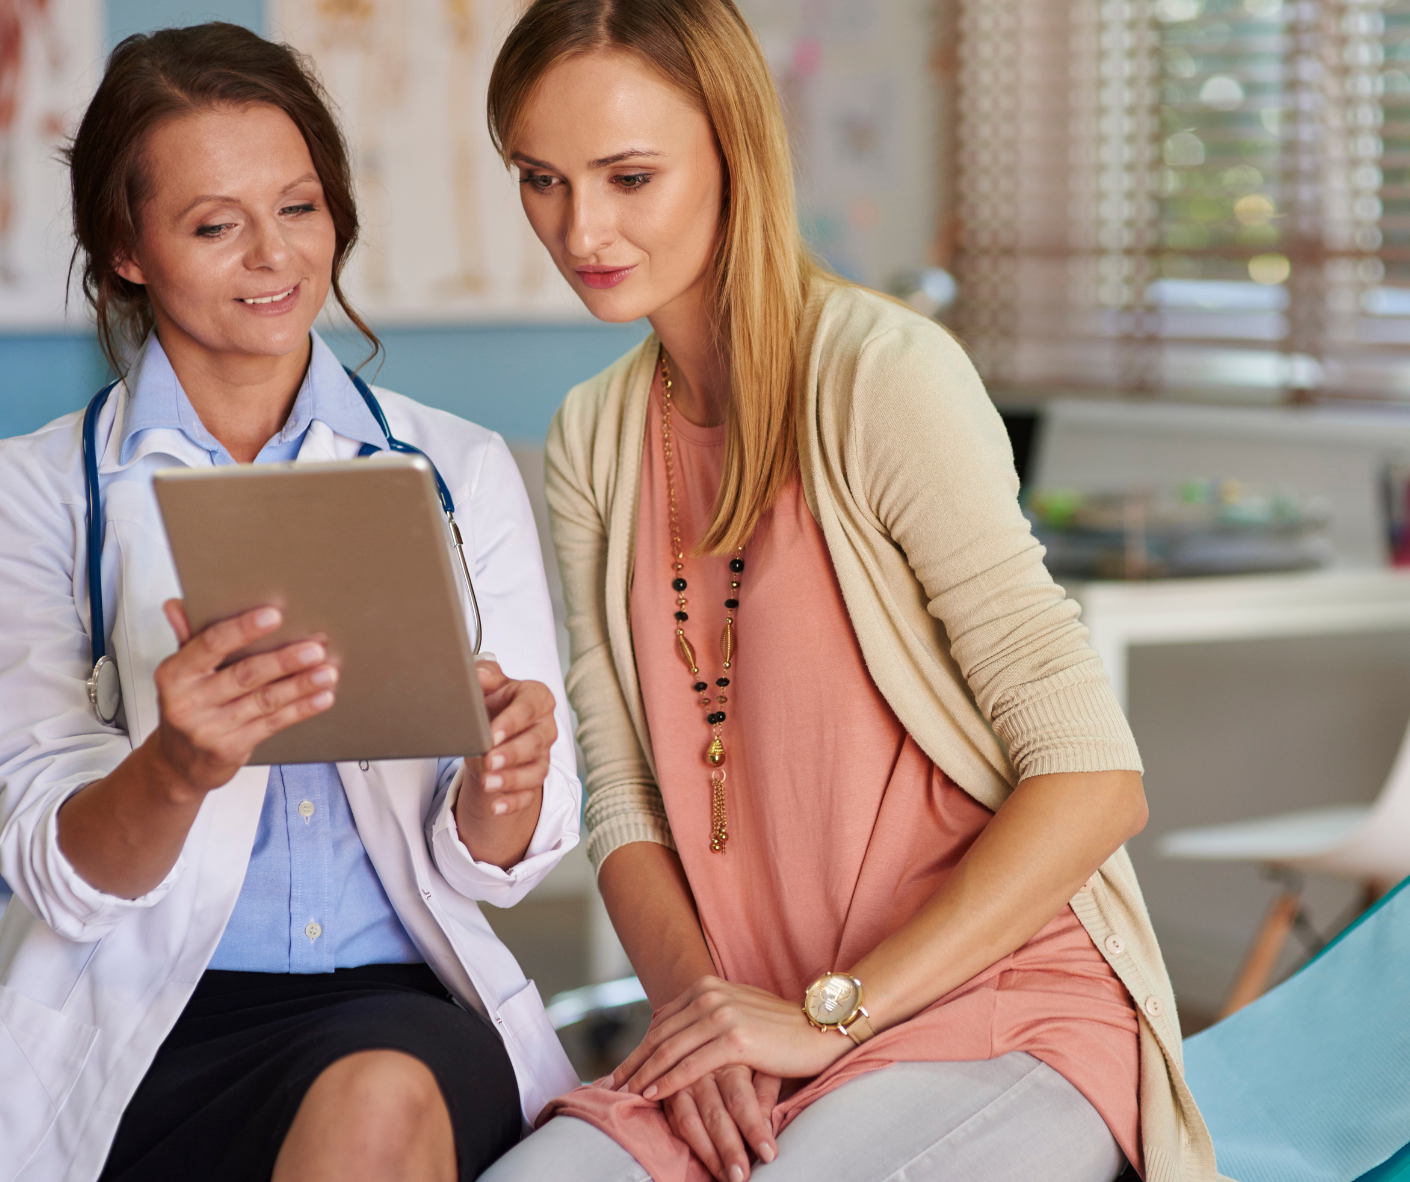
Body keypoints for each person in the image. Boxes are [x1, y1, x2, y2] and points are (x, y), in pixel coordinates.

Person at [477, 1, 1219, 1181]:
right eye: (542, 180)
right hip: (748, 1022)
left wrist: (832, 1013)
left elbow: (1094, 777)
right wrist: (709, 1026)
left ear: (734, 147)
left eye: (628, 177)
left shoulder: (884, 376)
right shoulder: (595, 435)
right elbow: (622, 795)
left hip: (995, 1004)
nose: (582, 229)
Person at [0, 23, 580, 1182]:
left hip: (406, 1001)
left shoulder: (455, 473)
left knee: (374, 1100)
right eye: (216, 225)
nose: (274, 259)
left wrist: (507, 779)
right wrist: (177, 765)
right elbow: (51, 868)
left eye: (300, 208)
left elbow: (503, 860)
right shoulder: (42, 493)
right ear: (127, 248)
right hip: (146, 1020)